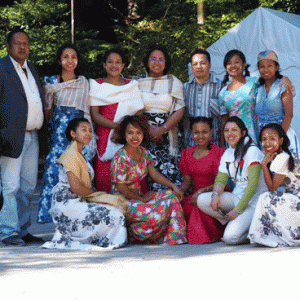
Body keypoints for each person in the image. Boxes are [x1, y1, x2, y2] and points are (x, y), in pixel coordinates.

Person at [42, 118, 127, 250]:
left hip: (78, 201)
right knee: (115, 214)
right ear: (73, 134)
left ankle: (99, 239)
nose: (88, 133)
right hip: (68, 205)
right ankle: (101, 241)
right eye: (83, 130)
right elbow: (76, 188)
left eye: (90, 130)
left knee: (115, 209)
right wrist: (98, 195)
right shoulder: (70, 154)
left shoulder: (79, 154)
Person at [37, 43, 96, 223]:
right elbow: (47, 112)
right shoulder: (51, 83)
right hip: (59, 133)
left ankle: (80, 217)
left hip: (79, 133)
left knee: (80, 171)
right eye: (66, 57)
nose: (70, 61)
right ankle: (49, 216)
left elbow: (86, 110)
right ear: (59, 60)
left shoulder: (83, 82)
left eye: (73, 57)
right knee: (54, 171)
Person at [111, 115, 187, 245]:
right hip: (123, 201)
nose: (135, 137)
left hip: (140, 198)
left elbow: (154, 174)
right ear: (124, 134)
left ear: (143, 134)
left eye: (138, 133)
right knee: (155, 215)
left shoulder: (144, 152)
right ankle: (133, 235)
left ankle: (175, 238)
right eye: (130, 133)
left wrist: (173, 186)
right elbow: (120, 187)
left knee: (171, 197)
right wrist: (141, 199)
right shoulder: (120, 157)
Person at [0, 29, 45, 246]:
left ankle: (22, 228)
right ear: (8, 46)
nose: (22, 47)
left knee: (28, 186)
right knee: (10, 186)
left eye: (26, 43)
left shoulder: (32, 70)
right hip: (10, 137)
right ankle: (7, 231)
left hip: (33, 136)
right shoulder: (1, 68)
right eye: (17, 43)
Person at [197, 116, 267, 245]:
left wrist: (237, 211)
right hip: (237, 198)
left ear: (243, 133)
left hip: (254, 204)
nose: (230, 134)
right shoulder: (228, 153)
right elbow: (221, 180)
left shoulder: (252, 151)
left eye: (234, 130)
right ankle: (235, 221)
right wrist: (215, 195)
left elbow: (252, 186)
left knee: (230, 238)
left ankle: (252, 229)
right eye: (226, 130)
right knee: (202, 200)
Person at [90, 48, 144, 193]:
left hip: (129, 137)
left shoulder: (131, 85)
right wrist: (118, 127)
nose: (114, 65)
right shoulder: (97, 85)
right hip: (105, 135)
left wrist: (127, 129)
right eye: (110, 62)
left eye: (118, 62)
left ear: (123, 65)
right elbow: (95, 115)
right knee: (105, 177)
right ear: (104, 64)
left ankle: (133, 211)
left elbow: (139, 110)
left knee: (130, 174)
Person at [137, 45, 185, 191]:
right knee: (147, 174)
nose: (156, 62)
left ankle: (171, 209)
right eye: (153, 59)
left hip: (168, 135)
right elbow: (135, 108)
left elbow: (180, 109)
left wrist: (162, 129)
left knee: (169, 174)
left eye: (161, 59)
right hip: (144, 134)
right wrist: (150, 129)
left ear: (166, 63)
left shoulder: (174, 82)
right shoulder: (138, 83)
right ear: (147, 61)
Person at [248, 123, 300, 247]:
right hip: (296, 199)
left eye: (272, 139)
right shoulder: (281, 156)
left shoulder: (282, 158)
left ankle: (264, 235)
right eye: (264, 139)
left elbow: (272, 188)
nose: (267, 143)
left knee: (266, 197)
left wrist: (264, 165)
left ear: (281, 140)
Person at [179, 117, 226, 244]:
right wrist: (177, 194)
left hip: (216, 193)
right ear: (191, 133)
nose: (200, 136)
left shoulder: (219, 153)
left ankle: (205, 235)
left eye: (204, 132)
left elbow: (221, 182)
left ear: (211, 132)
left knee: (198, 205)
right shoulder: (187, 154)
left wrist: (201, 191)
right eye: (196, 132)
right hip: (195, 195)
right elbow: (187, 182)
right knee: (178, 206)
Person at [255, 50, 299, 157]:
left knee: (284, 170)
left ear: (276, 67)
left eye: (269, 66)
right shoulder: (257, 88)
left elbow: (289, 114)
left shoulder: (283, 85)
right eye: (262, 66)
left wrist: (279, 141)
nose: (265, 69)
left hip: (281, 135)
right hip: (265, 139)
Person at [219, 50, 260, 145]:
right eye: (229, 63)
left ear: (244, 64)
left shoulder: (254, 82)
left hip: (254, 132)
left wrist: (284, 79)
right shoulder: (223, 93)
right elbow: (224, 120)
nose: (233, 66)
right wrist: (222, 142)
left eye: (236, 62)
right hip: (233, 136)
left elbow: (272, 79)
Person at [185, 49, 223, 147]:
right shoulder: (185, 88)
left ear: (209, 65)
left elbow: (225, 117)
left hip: (214, 144)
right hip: (191, 144)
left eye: (202, 63)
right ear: (191, 67)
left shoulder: (220, 87)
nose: (198, 67)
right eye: (195, 64)